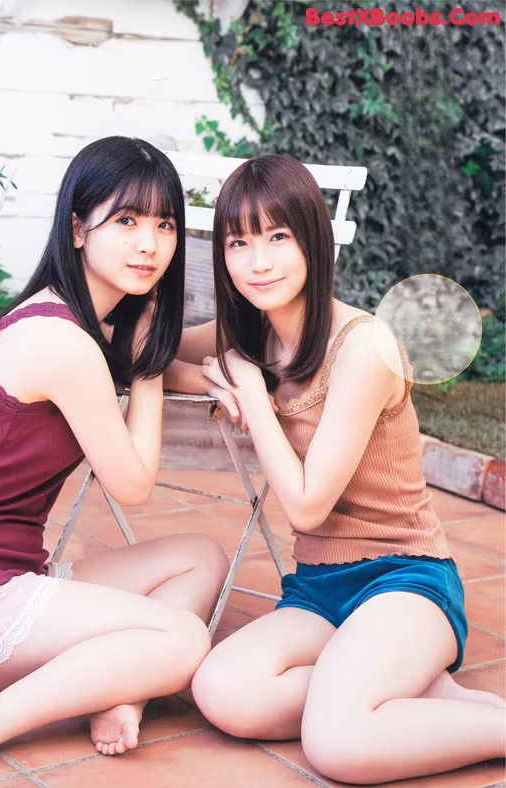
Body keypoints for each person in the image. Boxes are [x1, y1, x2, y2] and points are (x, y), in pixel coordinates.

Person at [0, 136, 229, 787]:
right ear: (78, 227)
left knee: (201, 557)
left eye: (165, 224)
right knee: (185, 643)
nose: (149, 244)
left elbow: (190, 352)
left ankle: (117, 691)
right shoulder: (59, 340)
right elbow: (132, 484)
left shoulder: (91, 327)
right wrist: (151, 365)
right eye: (126, 220)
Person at [165, 154, 505, 784]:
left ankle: (475, 721)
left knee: (338, 744)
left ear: (313, 241)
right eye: (239, 242)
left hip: (405, 579)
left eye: (278, 237)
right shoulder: (251, 334)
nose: (257, 262)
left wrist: (248, 387)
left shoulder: (365, 347)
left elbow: (306, 507)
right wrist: (210, 376)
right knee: (223, 690)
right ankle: (397, 693)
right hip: (319, 590)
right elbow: (144, 352)